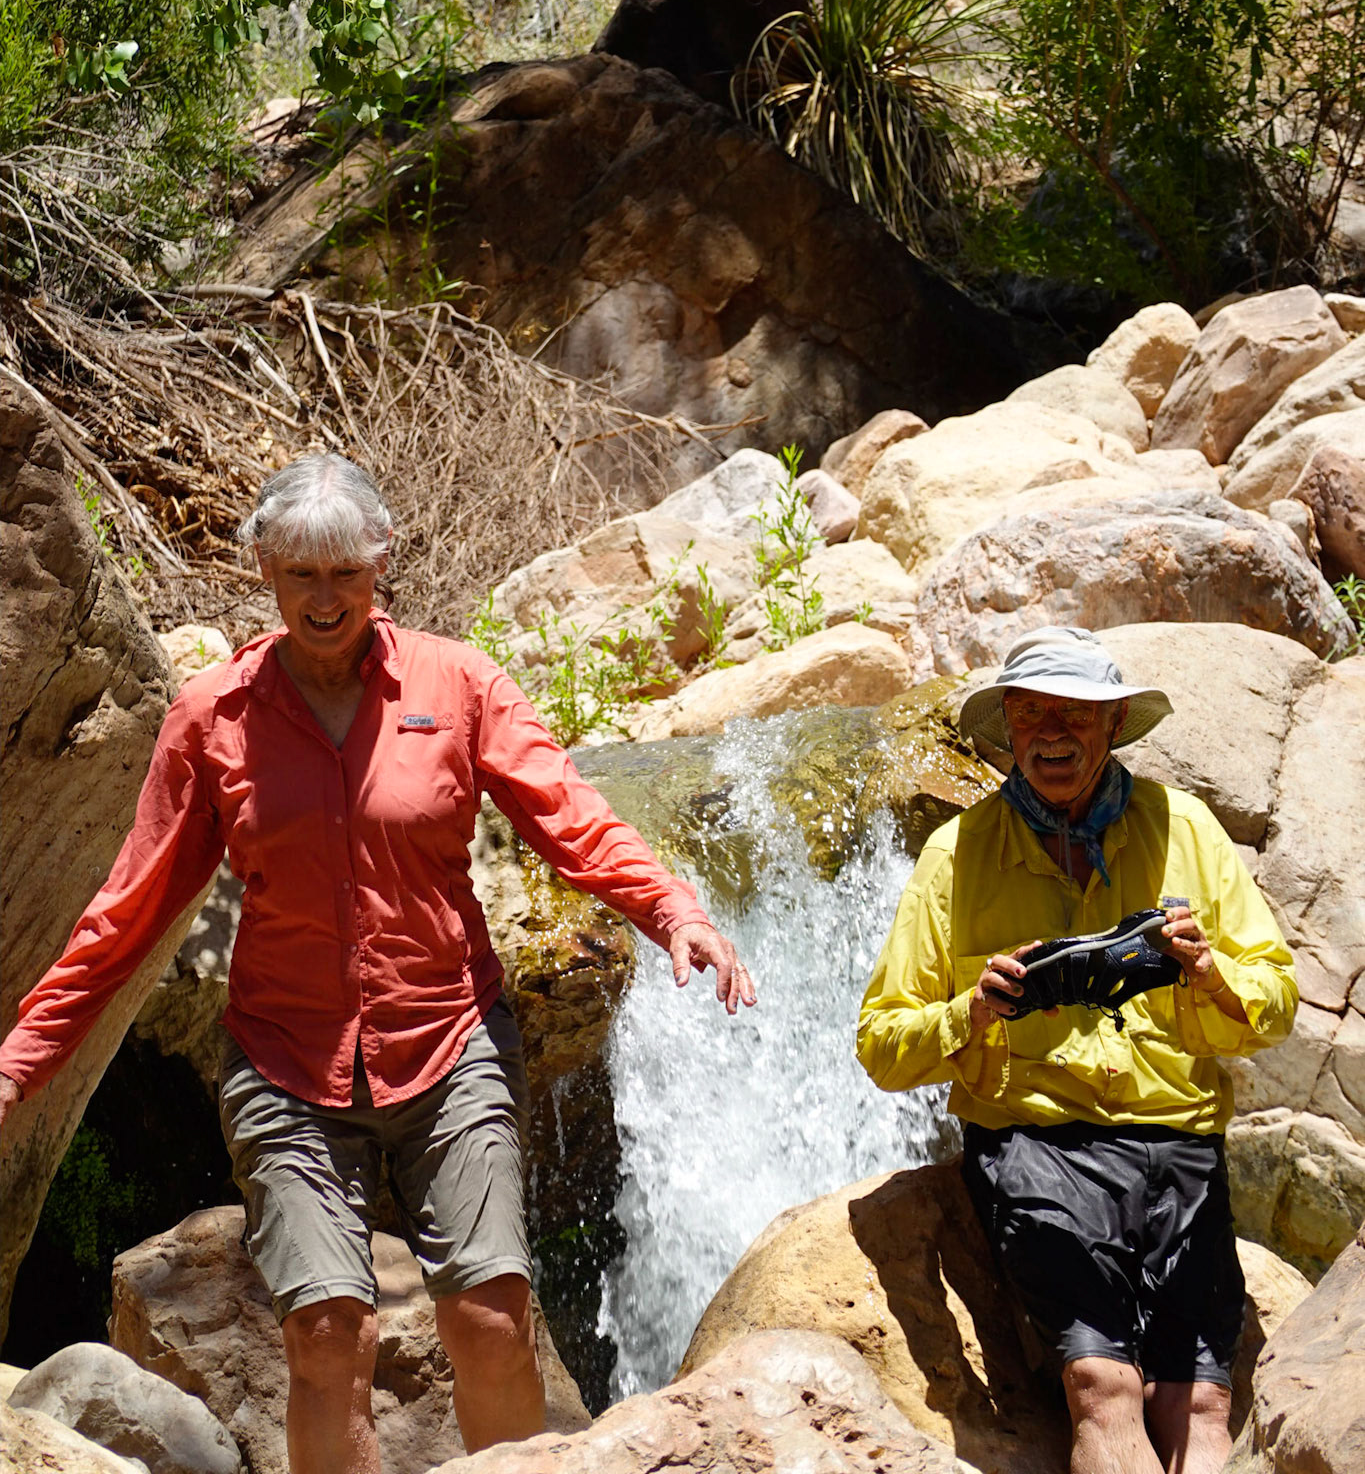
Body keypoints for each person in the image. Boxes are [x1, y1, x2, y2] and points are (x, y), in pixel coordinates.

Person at [0, 455, 754, 1474]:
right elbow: (126, 914)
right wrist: (20, 1060)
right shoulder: (213, 716)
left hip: (452, 1041)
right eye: (300, 573)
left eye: (343, 573)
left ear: (380, 563)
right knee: (325, 1332)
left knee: (493, 1310)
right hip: (286, 1063)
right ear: (266, 569)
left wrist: (672, 909)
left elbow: (568, 814)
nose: (323, 598)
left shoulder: (460, 683)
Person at [857, 626, 1297, 1474]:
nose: (1050, 733)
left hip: (1179, 1143)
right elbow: (881, 1043)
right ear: (1006, 730)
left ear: (1113, 723)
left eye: (1073, 714)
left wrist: (1206, 974)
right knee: (1101, 1383)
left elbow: (1273, 1003)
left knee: (1200, 1396)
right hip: (1035, 1143)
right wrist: (970, 1013)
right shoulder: (957, 854)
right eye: (1029, 716)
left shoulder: (1187, 828)